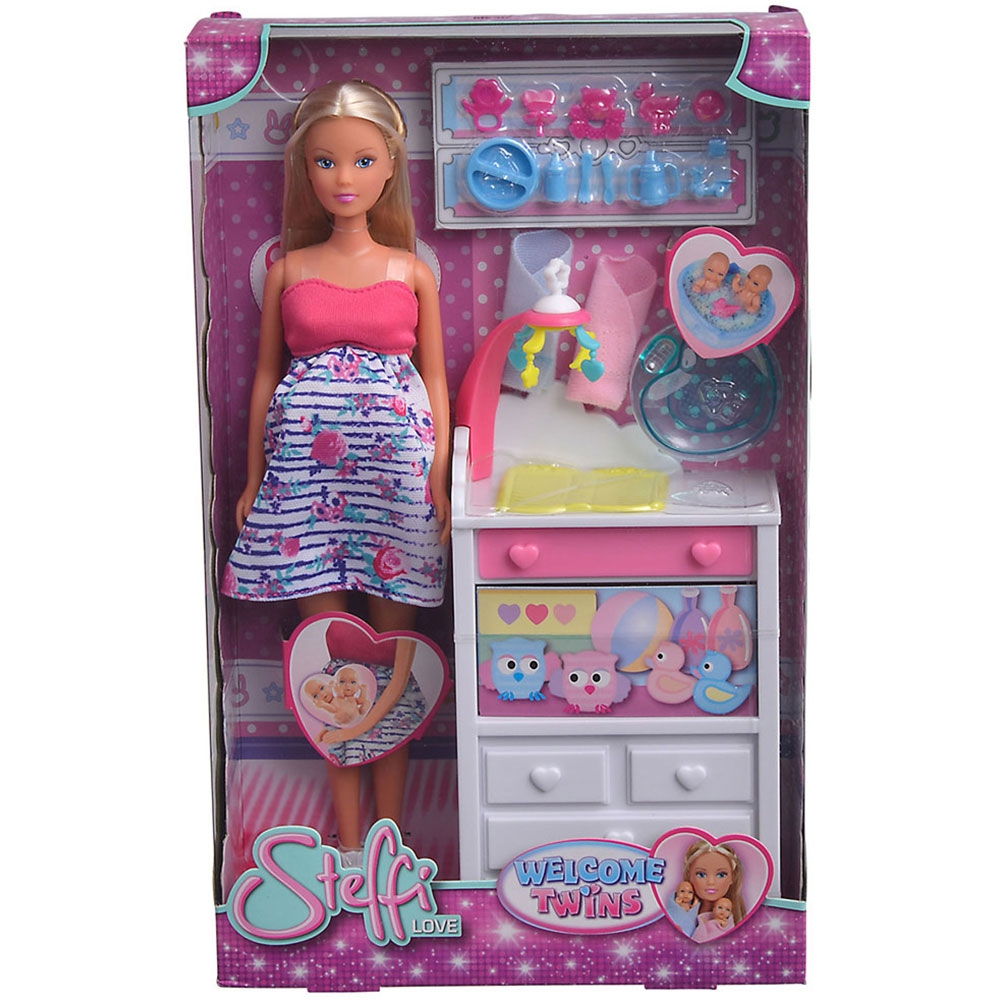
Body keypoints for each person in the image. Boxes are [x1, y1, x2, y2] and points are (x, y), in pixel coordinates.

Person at [221, 80, 450, 863]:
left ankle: (392, 840)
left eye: (361, 160)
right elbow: (265, 377)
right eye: (325, 161)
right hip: (303, 489)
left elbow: (435, 379)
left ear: (390, 167)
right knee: (328, 660)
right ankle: (350, 847)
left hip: (395, 486)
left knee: (398, 662)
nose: (343, 178)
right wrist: (252, 477)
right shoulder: (289, 270)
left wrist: (440, 473)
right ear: (305, 169)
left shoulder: (411, 272)